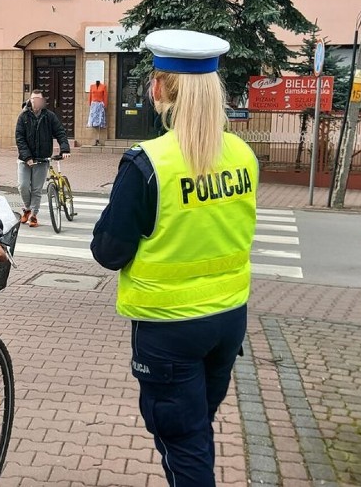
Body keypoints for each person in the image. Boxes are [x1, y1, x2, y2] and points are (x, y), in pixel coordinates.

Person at [90, 29, 258, 487]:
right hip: (228, 318)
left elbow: (109, 251)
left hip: (170, 329)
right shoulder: (243, 154)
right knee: (197, 426)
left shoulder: (149, 162)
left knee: (183, 443)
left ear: (161, 88)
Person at [15, 89, 70, 227]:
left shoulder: (49, 116)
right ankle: (27, 208)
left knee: (36, 189)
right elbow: (19, 138)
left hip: (42, 159)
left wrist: (65, 149)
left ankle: (33, 215)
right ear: (30, 100)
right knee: (23, 186)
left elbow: (60, 132)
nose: (36, 102)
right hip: (24, 160)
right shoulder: (23, 116)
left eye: (39, 99)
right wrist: (27, 157)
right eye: (34, 99)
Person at [87, 80, 107, 145]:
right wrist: (90, 104)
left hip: (100, 105)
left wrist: (105, 105)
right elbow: (90, 95)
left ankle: (98, 139)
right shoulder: (92, 86)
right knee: (93, 122)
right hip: (93, 105)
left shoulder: (103, 86)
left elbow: (105, 96)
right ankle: (95, 139)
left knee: (99, 121)